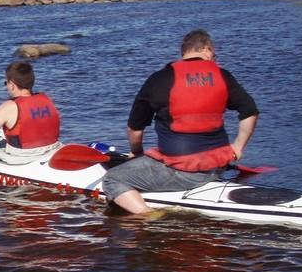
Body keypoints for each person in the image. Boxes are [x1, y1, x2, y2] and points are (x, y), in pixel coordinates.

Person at [102, 28, 259, 214]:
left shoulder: (159, 79)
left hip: (182, 172)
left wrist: (137, 153)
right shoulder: (222, 76)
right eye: (214, 53)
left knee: (112, 179)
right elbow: (250, 112)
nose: (214, 57)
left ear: (184, 51)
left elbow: (135, 129)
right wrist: (238, 148)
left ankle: (148, 215)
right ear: (207, 49)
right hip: (218, 166)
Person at [0, 60, 61, 163]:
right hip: (53, 149)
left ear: (12, 85)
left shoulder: (8, 107)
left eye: (6, 83)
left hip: (22, 156)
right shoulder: (47, 100)